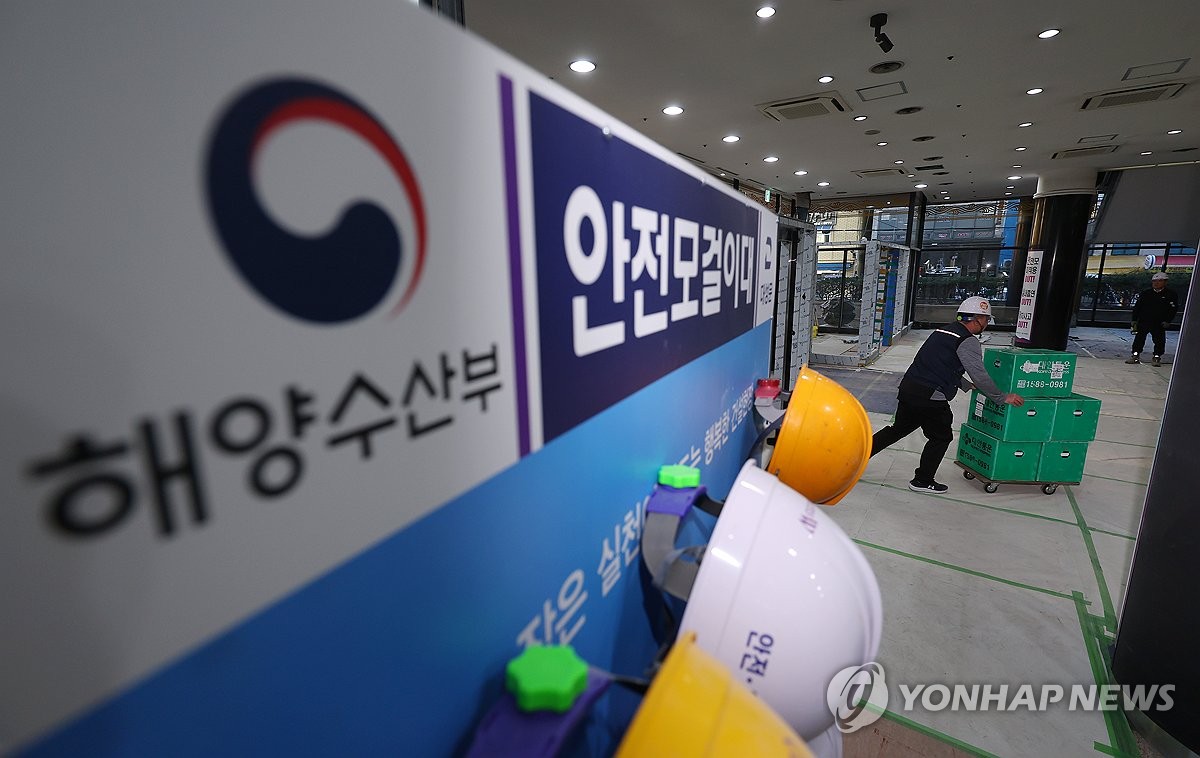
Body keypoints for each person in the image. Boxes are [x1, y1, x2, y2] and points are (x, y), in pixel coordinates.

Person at [871, 296, 1025, 494]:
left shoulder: (943, 331)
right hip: (930, 396)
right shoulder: (967, 341)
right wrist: (1002, 397)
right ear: (977, 319)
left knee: (897, 430)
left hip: (909, 389)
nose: (987, 323)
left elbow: (939, 364)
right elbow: (979, 374)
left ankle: (853, 458)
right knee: (941, 437)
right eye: (986, 319)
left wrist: (965, 385)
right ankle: (922, 480)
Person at [1126, 272, 1178, 367]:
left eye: (1159, 281)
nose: (1156, 283)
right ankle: (1135, 355)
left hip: (1159, 322)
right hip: (1144, 320)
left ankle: (1157, 356)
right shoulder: (1146, 293)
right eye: (1154, 281)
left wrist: (1168, 320)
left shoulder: (1170, 294)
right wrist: (1134, 320)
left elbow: (1173, 309)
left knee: (1159, 340)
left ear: (1165, 282)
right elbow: (1137, 307)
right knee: (1139, 339)